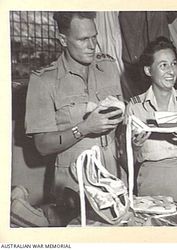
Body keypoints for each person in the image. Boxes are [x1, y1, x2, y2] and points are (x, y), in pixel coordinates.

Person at [25, 12, 126, 221]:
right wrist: (84, 128)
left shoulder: (108, 68)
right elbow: (42, 145)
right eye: (82, 39)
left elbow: (119, 124)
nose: (92, 46)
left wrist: (132, 136)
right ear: (63, 40)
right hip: (73, 187)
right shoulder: (44, 81)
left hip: (114, 180)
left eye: (94, 37)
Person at [125, 37, 177, 202]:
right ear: (148, 70)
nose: (171, 71)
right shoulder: (135, 107)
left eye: (174, 63)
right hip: (152, 181)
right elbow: (124, 160)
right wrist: (134, 146)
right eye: (163, 65)